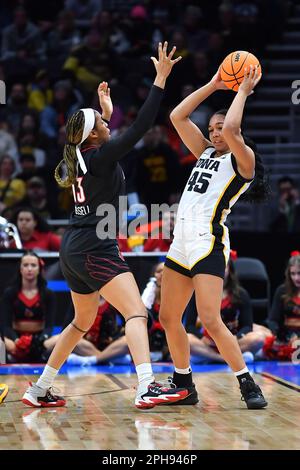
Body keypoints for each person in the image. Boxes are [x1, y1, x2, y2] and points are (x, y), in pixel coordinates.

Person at [22, 42, 188, 409]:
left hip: (74, 245)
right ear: (94, 135)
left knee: (81, 322)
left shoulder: (86, 156)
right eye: (100, 121)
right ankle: (147, 385)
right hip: (95, 245)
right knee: (136, 312)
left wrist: (105, 116)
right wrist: (161, 79)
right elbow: (142, 125)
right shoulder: (100, 155)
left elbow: (104, 139)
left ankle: (39, 389)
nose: (105, 122)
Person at [159, 64, 269, 409]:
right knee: (167, 318)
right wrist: (213, 83)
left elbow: (235, 127)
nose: (217, 133)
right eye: (212, 129)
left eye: (220, 127)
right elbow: (177, 116)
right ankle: (183, 382)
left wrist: (241, 92)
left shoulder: (243, 160)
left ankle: (246, 382)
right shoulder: (206, 151)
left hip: (208, 242)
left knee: (209, 318)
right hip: (181, 243)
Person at [185, 252, 272, 363]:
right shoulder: (199, 292)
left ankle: (207, 356)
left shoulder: (240, 294)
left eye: (223, 266)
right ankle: (224, 358)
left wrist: (237, 337)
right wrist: (202, 338)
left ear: (230, 270)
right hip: (209, 342)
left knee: (258, 338)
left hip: (233, 340)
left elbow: (247, 326)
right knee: (186, 339)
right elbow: (189, 325)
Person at [1, 251, 56, 363]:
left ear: (39, 269)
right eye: (25, 265)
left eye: (33, 265)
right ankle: (9, 359)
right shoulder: (10, 293)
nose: (29, 269)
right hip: (15, 341)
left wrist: (40, 341)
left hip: (40, 341)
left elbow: (49, 326)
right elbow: (6, 325)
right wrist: (16, 340)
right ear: (20, 269)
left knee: (61, 338)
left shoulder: (48, 294)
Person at [264, 251, 300, 360]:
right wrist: (280, 335)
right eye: (293, 274)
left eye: (299, 273)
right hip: (285, 338)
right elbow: (272, 320)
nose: (296, 278)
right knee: (260, 333)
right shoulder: (282, 291)